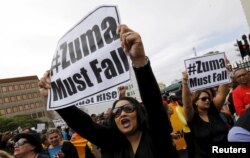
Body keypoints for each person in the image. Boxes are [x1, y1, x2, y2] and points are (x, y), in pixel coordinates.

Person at [39, 24, 177, 158]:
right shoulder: (112, 144)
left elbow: (153, 104)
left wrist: (139, 60)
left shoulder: (156, 134)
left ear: (139, 113)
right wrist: (56, 97)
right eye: (116, 112)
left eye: (128, 108)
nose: (122, 113)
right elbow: (84, 124)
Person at [182, 72, 229, 158]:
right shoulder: (192, 118)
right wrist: (185, 83)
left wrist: (225, 72)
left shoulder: (214, 111)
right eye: (203, 99)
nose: (207, 100)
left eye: (208, 98)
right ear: (196, 101)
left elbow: (222, 93)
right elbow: (187, 104)